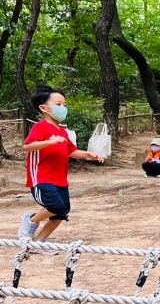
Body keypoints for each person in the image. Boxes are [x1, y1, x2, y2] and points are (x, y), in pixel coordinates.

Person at [18, 86, 105, 247]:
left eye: (64, 105)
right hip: (42, 178)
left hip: (60, 180)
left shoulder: (62, 131)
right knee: (54, 206)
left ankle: (40, 243)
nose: (63, 108)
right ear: (44, 108)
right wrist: (50, 142)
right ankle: (30, 221)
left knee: (62, 211)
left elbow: (71, 151)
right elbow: (27, 147)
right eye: (58, 104)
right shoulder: (40, 126)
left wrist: (88, 154)